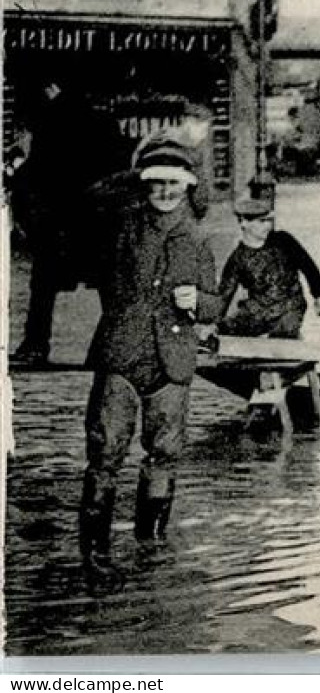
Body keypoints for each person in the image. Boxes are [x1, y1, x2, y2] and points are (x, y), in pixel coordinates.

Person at [80, 135, 222, 591]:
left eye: (174, 185)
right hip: (121, 356)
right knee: (105, 454)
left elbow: (217, 305)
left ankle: (151, 551)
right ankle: (95, 553)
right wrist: (138, 165)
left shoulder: (199, 239)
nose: (164, 193)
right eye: (156, 184)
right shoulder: (121, 225)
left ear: (188, 188)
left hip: (172, 364)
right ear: (143, 185)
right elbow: (88, 201)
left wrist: (199, 301)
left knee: (164, 456)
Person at [10, 81, 129, 365]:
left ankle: (36, 346)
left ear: (52, 88)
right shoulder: (104, 121)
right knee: (108, 287)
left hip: (59, 220)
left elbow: (35, 172)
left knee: (44, 287)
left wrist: (24, 204)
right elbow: (119, 170)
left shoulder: (49, 121)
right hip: (98, 221)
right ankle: (107, 349)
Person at [216, 198, 320, 339]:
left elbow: (308, 267)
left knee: (283, 334)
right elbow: (224, 295)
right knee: (224, 329)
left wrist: (319, 297)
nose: (267, 226)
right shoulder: (237, 259)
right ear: (244, 222)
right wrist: (212, 324)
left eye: (269, 220)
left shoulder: (284, 240)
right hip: (258, 311)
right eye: (261, 222)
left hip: (290, 306)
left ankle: (290, 341)